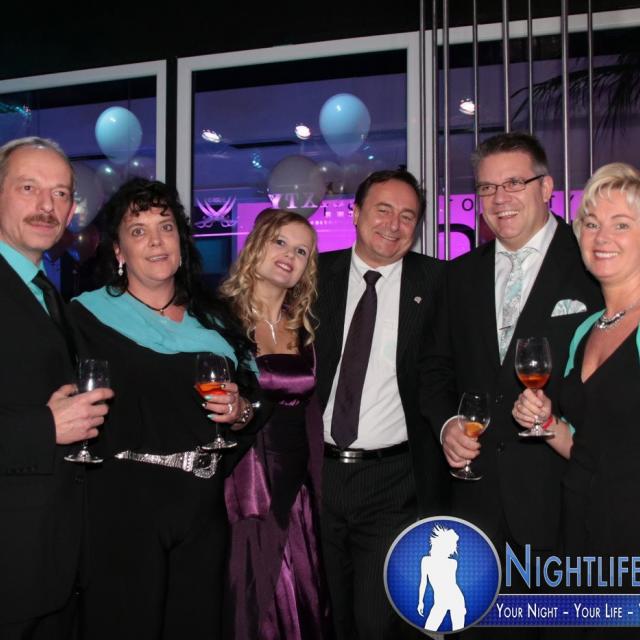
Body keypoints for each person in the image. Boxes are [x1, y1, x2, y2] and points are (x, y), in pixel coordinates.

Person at [422, 132, 602, 635]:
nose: (499, 198)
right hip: (474, 503)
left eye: (513, 183)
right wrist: (447, 425)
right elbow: (433, 369)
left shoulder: (592, 263)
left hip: (560, 500)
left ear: (546, 187)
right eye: (486, 188)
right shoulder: (458, 276)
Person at [68, 178, 264, 639]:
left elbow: (253, 405)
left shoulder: (216, 320)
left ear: (181, 240)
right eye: (138, 231)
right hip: (121, 508)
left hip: (200, 508)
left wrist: (240, 411)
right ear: (118, 251)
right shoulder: (83, 318)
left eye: (166, 226)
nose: (156, 241)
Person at [315, 168, 449, 639]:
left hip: (393, 483)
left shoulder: (439, 283)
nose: (394, 225)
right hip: (316, 476)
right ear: (355, 213)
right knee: (323, 615)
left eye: (408, 216)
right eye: (383, 210)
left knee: (377, 621)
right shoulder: (313, 276)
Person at [513, 163, 640, 637]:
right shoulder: (587, 328)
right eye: (591, 223)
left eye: (621, 224)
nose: (601, 237)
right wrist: (547, 423)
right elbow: (587, 447)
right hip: (579, 533)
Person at [0, 137, 113, 639]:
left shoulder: (44, 288)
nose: (47, 206)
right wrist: (46, 426)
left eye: (61, 193)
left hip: (51, 563)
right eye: (29, 188)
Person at [219, 208, 331, 639]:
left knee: (303, 595)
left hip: (298, 483)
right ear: (257, 245)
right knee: (254, 598)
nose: (289, 255)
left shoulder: (304, 328)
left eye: (302, 251)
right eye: (280, 242)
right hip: (245, 480)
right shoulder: (220, 319)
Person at [417, 525, 466, 633]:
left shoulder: (453, 563)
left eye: (453, 545)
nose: (453, 549)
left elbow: (451, 585)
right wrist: (420, 601)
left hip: (456, 599)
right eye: (452, 545)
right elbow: (423, 583)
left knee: (458, 632)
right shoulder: (426, 561)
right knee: (429, 630)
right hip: (440, 602)